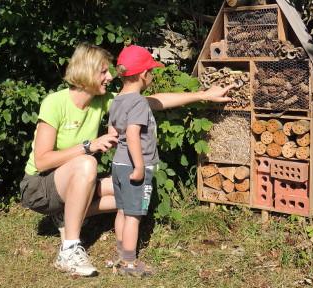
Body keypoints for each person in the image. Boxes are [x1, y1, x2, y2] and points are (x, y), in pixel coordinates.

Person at [19, 43, 233, 278]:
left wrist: (203, 95)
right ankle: (69, 249)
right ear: (86, 72)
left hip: (67, 183)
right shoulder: (55, 102)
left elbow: (150, 101)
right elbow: (41, 161)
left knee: (130, 190)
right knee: (87, 163)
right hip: (39, 187)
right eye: (103, 72)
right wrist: (89, 146)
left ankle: (65, 215)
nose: (110, 77)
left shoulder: (102, 101)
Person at [107, 45, 163, 277]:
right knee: (134, 215)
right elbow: (132, 134)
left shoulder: (117, 100)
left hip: (118, 164)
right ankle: (129, 263)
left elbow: (112, 131)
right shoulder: (139, 102)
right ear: (143, 75)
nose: (151, 76)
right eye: (151, 71)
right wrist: (140, 166)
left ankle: (122, 253)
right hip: (133, 165)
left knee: (121, 211)